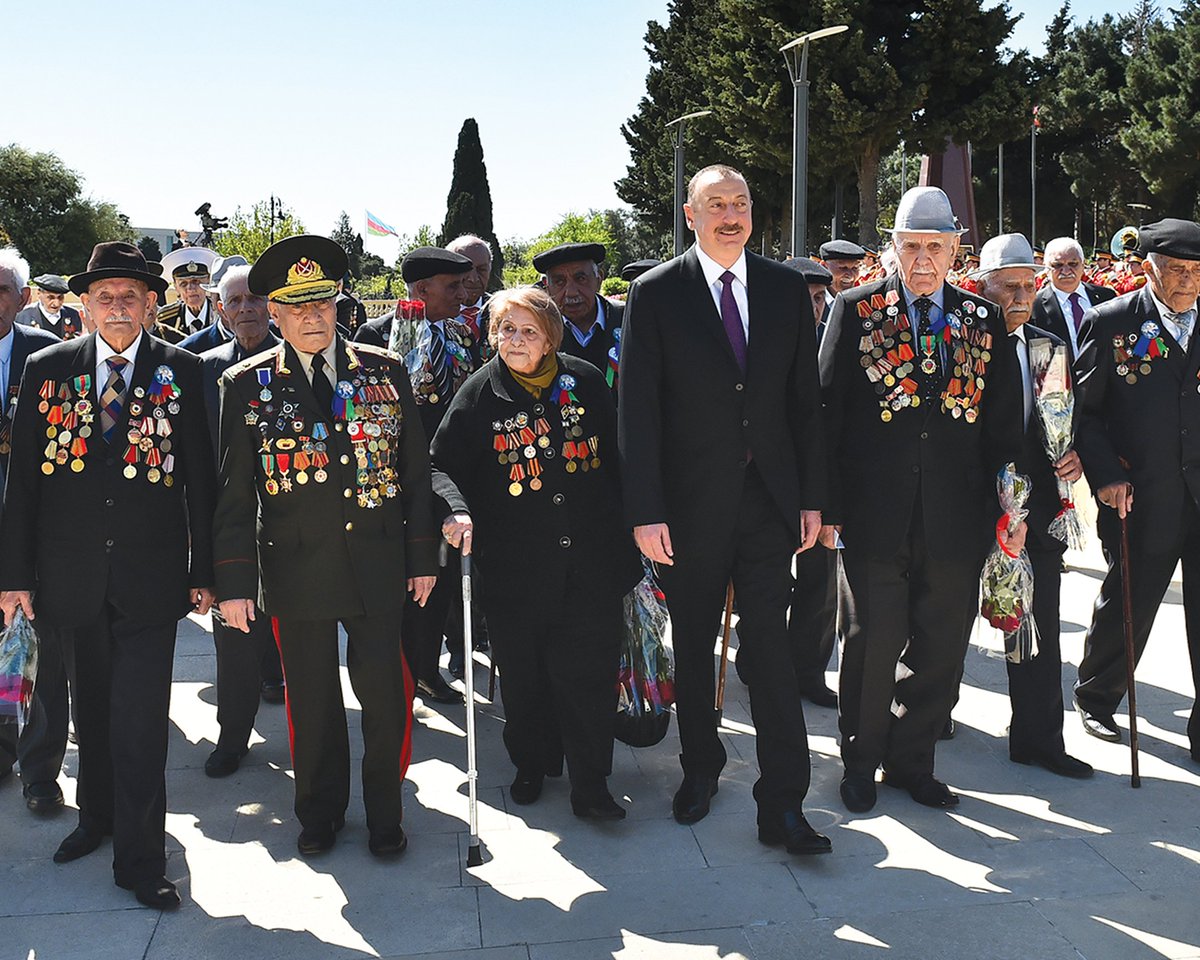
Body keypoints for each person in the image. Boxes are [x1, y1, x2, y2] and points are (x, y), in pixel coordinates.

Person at [619, 163, 831, 855]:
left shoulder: (784, 288)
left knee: (770, 650)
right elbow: (637, 411)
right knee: (693, 641)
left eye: (740, 202)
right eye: (716, 204)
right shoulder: (655, 293)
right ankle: (700, 769)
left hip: (769, 504)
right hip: (687, 511)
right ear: (691, 215)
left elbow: (804, 403)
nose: (731, 215)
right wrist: (646, 511)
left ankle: (785, 804)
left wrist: (812, 497)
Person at [0, 241, 216, 909]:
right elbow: (24, 484)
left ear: (151, 304)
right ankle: (96, 820)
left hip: (152, 580)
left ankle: (141, 858)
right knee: (89, 716)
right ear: (86, 305)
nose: (117, 307)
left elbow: (201, 481)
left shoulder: (183, 371)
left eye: (129, 296)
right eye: (104, 297)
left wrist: (205, 570)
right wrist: (15, 576)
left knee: (141, 723)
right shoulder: (47, 367)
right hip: (70, 578)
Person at [213, 235, 437, 858]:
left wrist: (422, 557)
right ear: (275, 313)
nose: (312, 317)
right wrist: (235, 583)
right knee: (310, 701)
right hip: (295, 566)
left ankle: (386, 813)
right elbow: (233, 493)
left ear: (338, 304)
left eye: (322, 303)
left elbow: (415, 473)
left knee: (386, 697)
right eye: (297, 306)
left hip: (376, 562)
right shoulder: (246, 384)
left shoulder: (385, 372)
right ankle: (319, 813)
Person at [819, 187, 1024, 814]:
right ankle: (860, 762)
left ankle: (913, 762)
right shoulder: (857, 309)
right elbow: (827, 415)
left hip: (956, 520)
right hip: (874, 516)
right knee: (871, 643)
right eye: (911, 246)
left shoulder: (982, 319)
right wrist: (827, 510)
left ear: (956, 250)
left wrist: (1010, 510)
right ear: (894, 248)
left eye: (936, 246)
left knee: (940, 649)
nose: (924, 259)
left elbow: (1003, 429)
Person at [432, 286, 641, 818]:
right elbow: (438, 465)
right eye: (507, 330)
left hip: (590, 564)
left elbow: (621, 457)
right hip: (515, 569)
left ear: (550, 339)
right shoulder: (480, 393)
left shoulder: (585, 381)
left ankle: (591, 784)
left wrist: (639, 525)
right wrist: (456, 509)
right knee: (525, 677)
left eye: (529, 331)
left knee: (588, 676)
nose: (516, 341)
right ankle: (531, 762)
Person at [1073, 218, 1200, 763]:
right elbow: (1085, 413)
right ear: (1149, 268)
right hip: (1142, 493)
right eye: (1176, 270)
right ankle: (1097, 697)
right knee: (1130, 602)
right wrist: (1106, 474)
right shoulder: (1112, 322)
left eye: (1196, 272)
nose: (1188, 281)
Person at [971, 234, 1093, 778]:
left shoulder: (1049, 346)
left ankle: (1039, 738)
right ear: (983, 287)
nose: (1021, 297)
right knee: (942, 625)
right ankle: (922, 727)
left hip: (1038, 508)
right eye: (1008, 287)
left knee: (1036, 624)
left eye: (1028, 285)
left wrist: (1074, 453)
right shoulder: (966, 340)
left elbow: (1067, 416)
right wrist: (998, 507)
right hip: (967, 505)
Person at [355, 246, 475, 705]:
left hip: (451, 478)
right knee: (407, 582)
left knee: (443, 580)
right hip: (399, 480)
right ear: (422, 289)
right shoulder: (377, 335)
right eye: (452, 286)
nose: (463, 294)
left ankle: (427, 668)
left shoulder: (461, 334)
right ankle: (400, 676)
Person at [196, 264, 284, 777]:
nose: (246, 309)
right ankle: (232, 737)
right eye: (235, 302)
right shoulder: (201, 369)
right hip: (228, 527)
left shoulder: (295, 361)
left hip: (290, 525)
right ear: (221, 310)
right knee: (232, 639)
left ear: (271, 304)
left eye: (255, 299)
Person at [0, 249, 68, 814]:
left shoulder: (48, 357)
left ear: (22, 298)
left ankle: (38, 768)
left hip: (34, 530)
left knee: (34, 655)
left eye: (1, 289)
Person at [774, 256, 838, 708]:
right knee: (770, 581)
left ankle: (809, 670)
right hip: (773, 479)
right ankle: (760, 657)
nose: (813, 308)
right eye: (805, 297)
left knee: (820, 580)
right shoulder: (762, 338)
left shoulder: (837, 334)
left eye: (819, 298)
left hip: (821, 478)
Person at [535, 243, 624, 396]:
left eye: (581, 278)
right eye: (559, 282)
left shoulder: (627, 318)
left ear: (599, 279)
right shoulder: (539, 331)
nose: (571, 292)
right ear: (547, 287)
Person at [1032, 237, 1117, 358]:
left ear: (1083, 265)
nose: (1066, 271)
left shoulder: (1106, 297)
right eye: (1058, 265)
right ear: (1046, 268)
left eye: (1073, 264)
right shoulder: (1034, 306)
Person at [177, 255, 249, 354]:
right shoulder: (189, 349)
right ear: (216, 302)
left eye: (252, 298)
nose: (244, 307)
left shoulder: (271, 334)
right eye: (233, 300)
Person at [155, 246, 218, 343]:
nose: (190, 289)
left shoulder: (221, 315)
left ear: (208, 281)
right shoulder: (165, 319)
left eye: (196, 281)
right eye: (183, 284)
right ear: (176, 287)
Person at [16, 274, 84, 340]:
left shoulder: (73, 315)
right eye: (50, 297)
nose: (56, 303)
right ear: (39, 294)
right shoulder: (23, 315)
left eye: (60, 297)